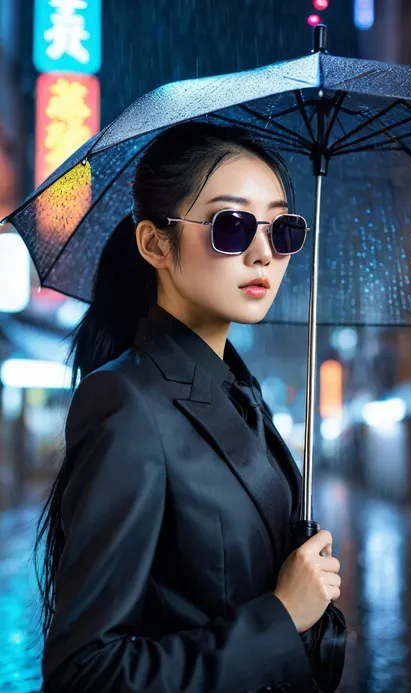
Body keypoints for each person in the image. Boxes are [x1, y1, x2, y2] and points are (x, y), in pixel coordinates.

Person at [34, 121, 344, 693]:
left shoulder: (243, 397)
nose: (262, 254)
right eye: (231, 225)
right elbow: (86, 674)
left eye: (282, 228)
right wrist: (280, 617)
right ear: (155, 243)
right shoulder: (126, 402)